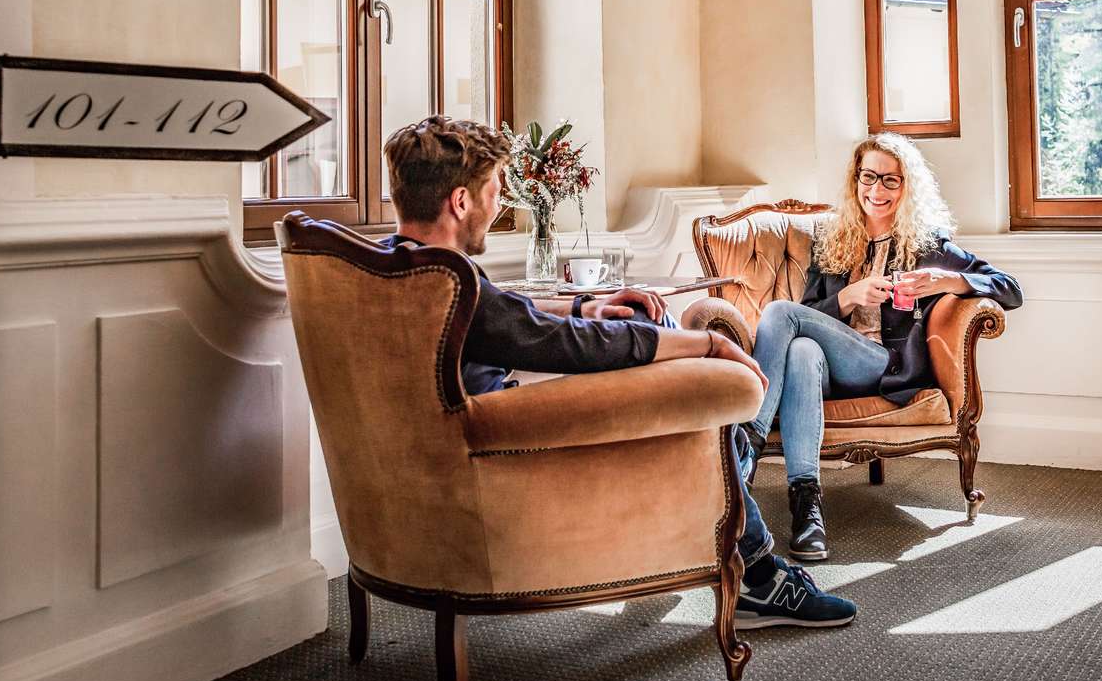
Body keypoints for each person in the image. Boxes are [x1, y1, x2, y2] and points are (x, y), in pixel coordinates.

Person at [380, 116, 858, 629]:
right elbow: (573, 348)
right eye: (496, 191)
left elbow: (504, 317)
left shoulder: (397, 266)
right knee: (693, 399)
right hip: (512, 459)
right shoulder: (454, 283)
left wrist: (587, 305)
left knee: (653, 337)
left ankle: (736, 465)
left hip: (459, 448)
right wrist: (709, 343)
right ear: (459, 202)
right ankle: (759, 575)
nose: (498, 208)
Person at [744, 132, 1022, 561]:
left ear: (907, 187)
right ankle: (807, 508)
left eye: (890, 180)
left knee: (779, 313)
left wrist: (946, 281)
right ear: (856, 181)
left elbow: (1010, 288)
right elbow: (807, 316)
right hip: (826, 370)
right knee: (800, 350)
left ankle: (745, 445)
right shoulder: (833, 242)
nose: (877, 190)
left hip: (883, 366)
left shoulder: (927, 246)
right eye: (868, 177)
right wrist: (848, 297)